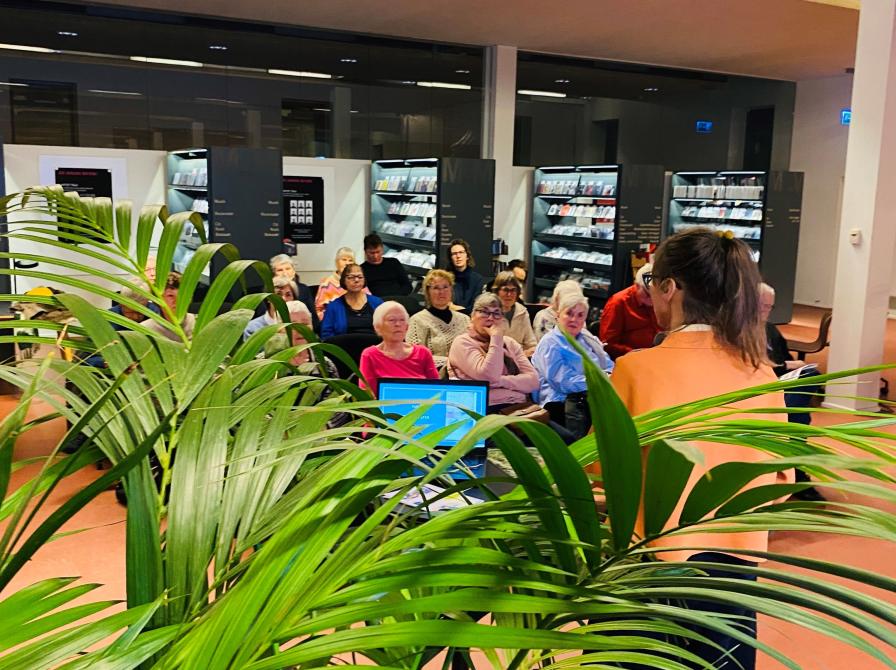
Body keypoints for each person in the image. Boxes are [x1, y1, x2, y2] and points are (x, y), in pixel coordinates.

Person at [608, 229, 794, 670]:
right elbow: (780, 484)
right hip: (734, 573)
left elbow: (602, 472)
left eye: (651, 281)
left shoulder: (635, 371)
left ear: (670, 288)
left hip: (650, 571)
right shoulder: (761, 375)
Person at [760, 282, 824, 502]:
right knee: (796, 417)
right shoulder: (738, 331)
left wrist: (791, 367)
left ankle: (794, 469)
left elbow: (782, 357)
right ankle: (796, 472)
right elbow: (750, 366)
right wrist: (786, 366)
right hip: (758, 389)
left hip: (778, 382)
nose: (766, 311)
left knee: (810, 375)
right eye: (762, 306)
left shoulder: (770, 330)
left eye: (769, 307)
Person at [532, 293, 614, 439]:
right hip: (562, 403)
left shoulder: (587, 338)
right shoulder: (550, 343)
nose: (574, 319)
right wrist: (600, 380)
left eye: (580, 315)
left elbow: (609, 365)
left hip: (593, 395)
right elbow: (563, 383)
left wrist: (608, 376)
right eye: (569, 313)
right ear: (558, 315)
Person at [448, 293, 539, 413]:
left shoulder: (510, 343)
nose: (491, 318)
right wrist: (496, 338)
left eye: (496, 313)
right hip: (481, 411)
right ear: (472, 316)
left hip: (519, 408)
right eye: (484, 312)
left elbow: (533, 381)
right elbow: (488, 376)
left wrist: (500, 381)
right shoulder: (462, 342)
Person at [359, 301, 439, 397]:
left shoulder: (423, 353)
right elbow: (365, 393)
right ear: (378, 327)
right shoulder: (369, 355)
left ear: (407, 327)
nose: (398, 324)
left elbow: (437, 390)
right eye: (392, 320)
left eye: (402, 320)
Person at [406, 269, 471, 369]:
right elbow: (415, 356)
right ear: (428, 292)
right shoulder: (417, 320)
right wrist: (450, 362)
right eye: (436, 288)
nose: (442, 292)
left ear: (451, 290)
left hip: (467, 372)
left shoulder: (465, 319)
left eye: (445, 287)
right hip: (434, 375)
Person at [599, 263, 661, 359]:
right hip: (628, 359)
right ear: (637, 286)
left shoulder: (659, 300)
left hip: (655, 355)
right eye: (648, 295)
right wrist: (635, 354)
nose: (653, 300)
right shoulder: (618, 303)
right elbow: (608, 344)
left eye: (656, 295)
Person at [264, 300, 339, 378]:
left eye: (305, 324)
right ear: (279, 330)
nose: (301, 329)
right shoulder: (266, 363)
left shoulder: (325, 364)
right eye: (293, 325)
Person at [243, 276, 319, 340]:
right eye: (278, 294)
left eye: (288, 295)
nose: (284, 299)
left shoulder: (302, 323)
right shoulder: (253, 328)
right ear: (269, 298)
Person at [320, 264, 384, 339]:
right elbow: (326, 335)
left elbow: (387, 328)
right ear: (344, 280)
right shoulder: (333, 306)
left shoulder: (377, 303)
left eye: (360, 277)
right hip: (344, 345)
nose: (356, 280)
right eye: (351, 277)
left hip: (374, 344)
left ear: (364, 280)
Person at [491, 271, 537, 356]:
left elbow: (531, 344)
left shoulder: (522, 312)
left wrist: (524, 355)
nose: (509, 294)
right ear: (497, 291)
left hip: (520, 358)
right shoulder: (489, 313)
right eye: (505, 290)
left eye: (513, 290)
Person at [269, 253, 320, 330]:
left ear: (293, 271)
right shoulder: (270, 291)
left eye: (288, 269)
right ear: (274, 273)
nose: (285, 273)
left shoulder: (304, 289)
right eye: (280, 270)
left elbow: (314, 319)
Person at [143, 271, 196, 341]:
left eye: (181, 295)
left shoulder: (199, 323)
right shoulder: (145, 331)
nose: (177, 301)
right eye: (170, 296)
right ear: (157, 300)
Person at [315, 246, 361, 320]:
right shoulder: (327, 283)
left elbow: (369, 303)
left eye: (350, 260)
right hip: (334, 322)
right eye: (344, 259)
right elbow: (318, 310)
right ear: (337, 262)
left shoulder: (359, 281)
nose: (347, 263)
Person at [361, 233, 413, 297]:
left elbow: (407, 285)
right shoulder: (361, 269)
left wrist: (398, 296)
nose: (375, 256)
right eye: (372, 253)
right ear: (365, 251)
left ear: (382, 249)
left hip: (399, 298)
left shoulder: (393, 262)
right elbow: (363, 293)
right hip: (377, 301)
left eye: (378, 252)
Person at [446, 239, 484, 313]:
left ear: (467, 256)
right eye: (454, 254)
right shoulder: (445, 279)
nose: (458, 256)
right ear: (450, 258)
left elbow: (476, 307)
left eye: (461, 252)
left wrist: (454, 307)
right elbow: (445, 305)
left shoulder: (477, 279)